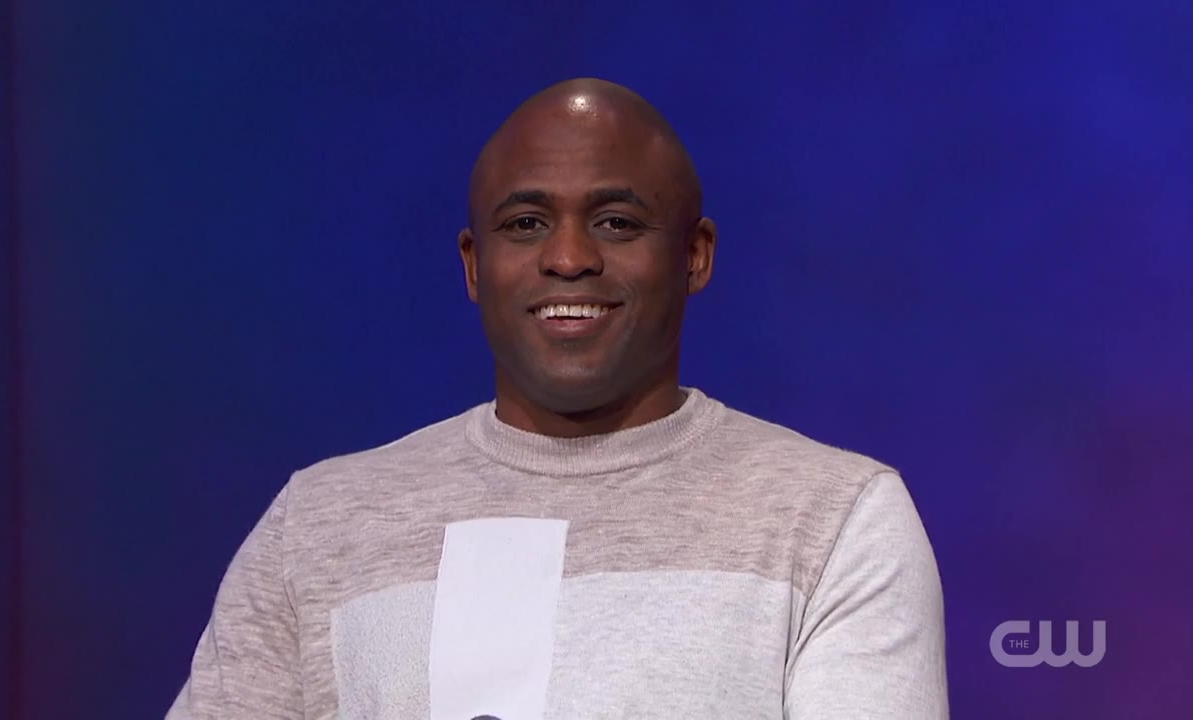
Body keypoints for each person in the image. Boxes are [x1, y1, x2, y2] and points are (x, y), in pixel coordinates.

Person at [166, 78, 948, 719]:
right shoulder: (318, 523)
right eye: (527, 223)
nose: (569, 257)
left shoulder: (833, 519)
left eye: (616, 222)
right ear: (474, 267)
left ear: (695, 255)